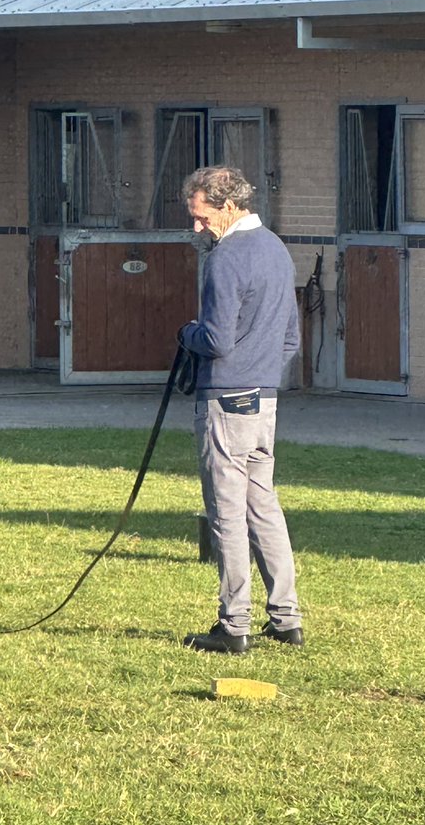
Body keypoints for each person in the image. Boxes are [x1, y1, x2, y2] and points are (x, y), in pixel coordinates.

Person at [178, 165, 304, 654]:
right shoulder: (275, 248)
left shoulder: (226, 258)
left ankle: (234, 625)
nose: (197, 227)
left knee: (226, 515)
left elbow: (215, 339)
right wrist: (261, 371)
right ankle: (287, 617)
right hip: (264, 398)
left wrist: (185, 334)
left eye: (201, 216)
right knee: (264, 507)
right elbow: (290, 337)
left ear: (227, 206)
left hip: (225, 400)